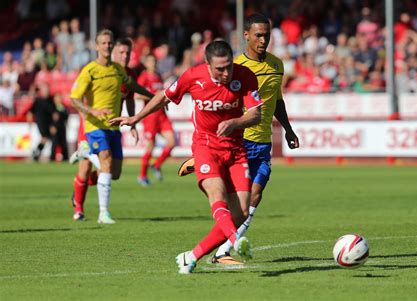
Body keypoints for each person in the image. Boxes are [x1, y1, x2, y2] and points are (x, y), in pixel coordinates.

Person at [110, 40, 262, 274]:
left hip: (235, 149)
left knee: (240, 212)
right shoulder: (193, 76)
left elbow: (255, 114)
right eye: (220, 68)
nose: (225, 73)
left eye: (228, 67)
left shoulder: (245, 76)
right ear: (207, 65)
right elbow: (164, 96)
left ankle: (191, 256)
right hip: (205, 145)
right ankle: (235, 239)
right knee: (217, 193)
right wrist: (136, 118)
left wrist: (235, 122)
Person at [178, 14, 300, 265]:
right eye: (258, 35)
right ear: (246, 36)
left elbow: (276, 100)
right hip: (238, 141)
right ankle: (225, 248)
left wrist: (288, 129)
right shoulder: (234, 68)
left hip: (263, 141)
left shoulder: (277, 65)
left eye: (267, 35)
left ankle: (221, 248)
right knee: (245, 196)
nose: (263, 40)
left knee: (254, 198)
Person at [70, 30, 153, 224]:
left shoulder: (119, 70)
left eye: (109, 43)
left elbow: (132, 88)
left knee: (113, 173)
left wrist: (154, 97)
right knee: (98, 165)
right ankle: (96, 212)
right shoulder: (90, 70)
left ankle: (86, 153)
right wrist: (92, 111)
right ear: (97, 46)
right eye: (104, 43)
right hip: (93, 125)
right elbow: (74, 98)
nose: (107, 46)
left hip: (113, 127)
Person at [136, 54, 175, 186]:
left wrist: (164, 101)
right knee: (150, 147)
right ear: (146, 63)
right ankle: (142, 176)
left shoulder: (157, 76)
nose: (153, 63)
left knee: (171, 142)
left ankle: (157, 165)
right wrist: (151, 96)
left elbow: (162, 94)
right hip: (150, 117)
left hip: (162, 116)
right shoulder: (143, 77)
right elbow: (137, 94)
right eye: (150, 61)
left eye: (154, 61)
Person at [28, 83, 56, 161]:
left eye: (47, 89)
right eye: (45, 90)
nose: (46, 91)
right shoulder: (38, 101)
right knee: (45, 137)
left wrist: (53, 124)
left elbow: (54, 112)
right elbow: (30, 111)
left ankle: (37, 152)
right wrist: (30, 121)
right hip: (41, 122)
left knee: (46, 138)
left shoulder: (51, 100)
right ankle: (36, 152)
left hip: (49, 123)